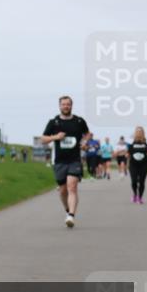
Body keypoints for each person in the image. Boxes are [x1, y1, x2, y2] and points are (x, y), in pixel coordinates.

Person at [40, 96, 89, 227]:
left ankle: (71, 216)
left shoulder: (79, 121)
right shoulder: (54, 122)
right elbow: (43, 139)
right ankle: (68, 211)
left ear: (71, 106)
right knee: (62, 191)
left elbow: (87, 134)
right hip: (59, 161)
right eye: (63, 104)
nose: (66, 106)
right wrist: (56, 137)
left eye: (68, 104)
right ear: (59, 106)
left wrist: (84, 142)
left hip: (75, 160)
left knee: (72, 186)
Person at [127, 127, 147, 204]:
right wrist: (126, 155)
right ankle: (135, 194)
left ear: (143, 133)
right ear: (135, 133)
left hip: (143, 164)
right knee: (134, 181)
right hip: (133, 164)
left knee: (142, 181)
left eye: (140, 131)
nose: (139, 133)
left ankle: (140, 197)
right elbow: (128, 152)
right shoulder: (131, 142)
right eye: (137, 131)